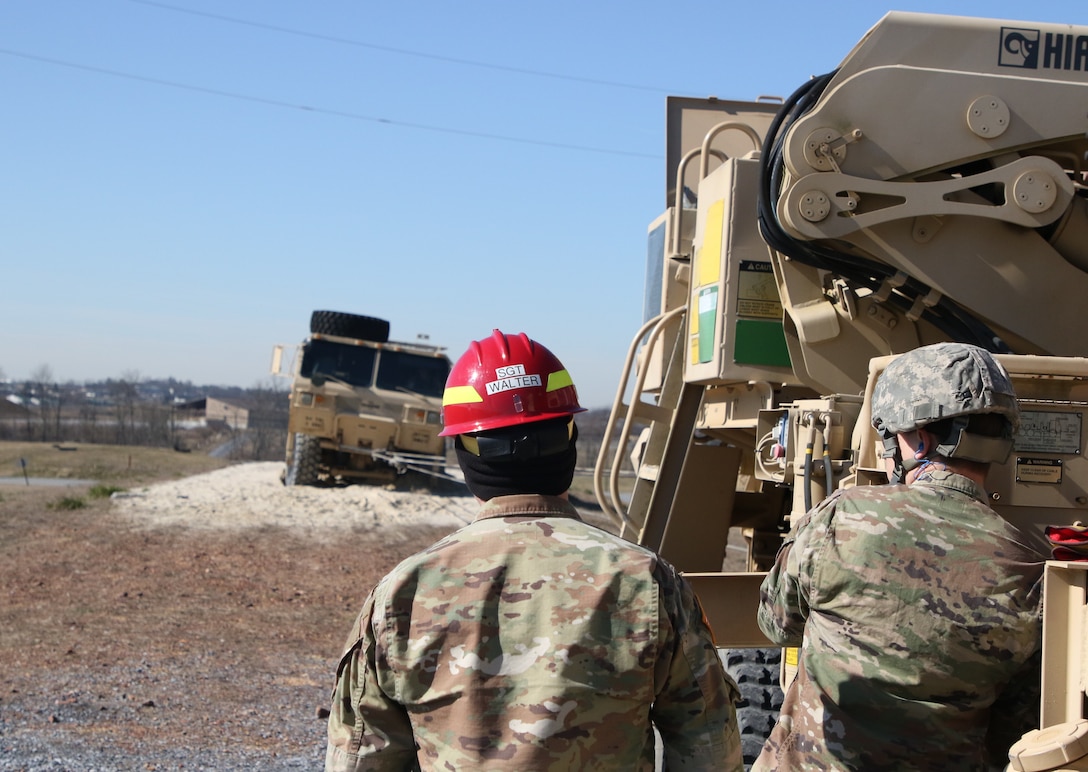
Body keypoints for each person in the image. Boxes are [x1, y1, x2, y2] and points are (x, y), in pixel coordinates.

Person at [325, 329, 743, 771]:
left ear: (465, 455)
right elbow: (710, 749)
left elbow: (359, 760)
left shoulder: (403, 594)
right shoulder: (646, 581)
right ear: (569, 440)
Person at [753, 342, 1045, 771]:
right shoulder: (1029, 568)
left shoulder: (842, 516)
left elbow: (776, 624)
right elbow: (1017, 723)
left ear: (920, 441)